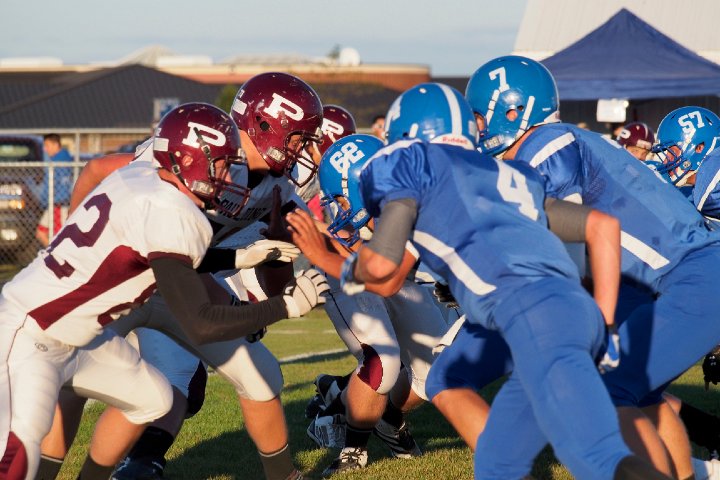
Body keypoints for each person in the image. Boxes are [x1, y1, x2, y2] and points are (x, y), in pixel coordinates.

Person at [324, 82, 668, 479]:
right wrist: (604, 321)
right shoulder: (502, 174)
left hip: (527, 314)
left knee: (588, 450)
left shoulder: (435, 185)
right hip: (573, 309)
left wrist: (322, 255)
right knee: (510, 445)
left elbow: (387, 273)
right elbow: (600, 227)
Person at [0, 102, 328, 480]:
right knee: (19, 452)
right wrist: (284, 306)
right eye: (222, 166)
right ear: (187, 160)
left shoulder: (145, 179)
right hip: (33, 331)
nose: (230, 177)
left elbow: (169, 256)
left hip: (86, 326)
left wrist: (239, 258)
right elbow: (202, 322)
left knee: (153, 398)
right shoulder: (173, 208)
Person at [455, 54, 720, 478]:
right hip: (677, 279)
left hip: (690, 277)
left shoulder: (548, 144)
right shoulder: (561, 142)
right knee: (642, 396)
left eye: (481, 117)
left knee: (606, 390)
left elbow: (569, 247)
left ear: (514, 110)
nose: (478, 129)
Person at [287, 134, 454, 476]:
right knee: (383, 361)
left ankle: (386, 419)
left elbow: (387, 278)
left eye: (340, 199)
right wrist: (323, 240)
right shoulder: (383, 208)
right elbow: (357, 259)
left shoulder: (409, 206)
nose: (338, 207)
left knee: (437, 369)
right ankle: (354, 448)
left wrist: (321, 240)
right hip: (344, 276)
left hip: (389, 277)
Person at [35, 134, 74, 247]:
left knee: (57, 237)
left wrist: (42, 200)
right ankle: (52, 253)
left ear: (56, 145)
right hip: (57, 203)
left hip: (58, 204)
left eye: (47, 145)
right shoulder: (66, 159)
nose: (45, 149)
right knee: (41, 232)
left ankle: (55, 254)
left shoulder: (56, 162)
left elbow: (52, 184)